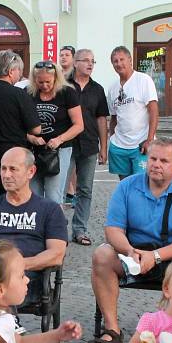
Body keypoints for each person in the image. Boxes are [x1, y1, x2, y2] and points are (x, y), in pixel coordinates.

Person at [89, 137, 172, 343]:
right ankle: (112, 330)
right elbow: (113, 230)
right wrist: (129, 251)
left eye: (164, 160)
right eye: (152, 158)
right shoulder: (127, 186)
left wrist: (155, 256)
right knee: (102, 254)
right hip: (134, 253)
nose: (156, 164)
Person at [0, 147, 67, 303]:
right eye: (3, 169)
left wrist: (16, 266)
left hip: (28, 277)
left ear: (31, 172)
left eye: (13, 169)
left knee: (1, 288)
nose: (6, 175)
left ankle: (3, 325)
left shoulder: (50, 209)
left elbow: (57, 254)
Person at [0, 50, 41, 199]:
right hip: (14, 154)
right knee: (13, 196)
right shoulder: (19, 95)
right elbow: (36, 128)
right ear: (11, 71)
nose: (20, 74)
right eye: (19, 70)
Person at [26, 60, 83, 204]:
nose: (44, 86)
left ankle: (54, 225)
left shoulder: (67, 92)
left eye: (48, 82)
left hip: (59, 149)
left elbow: (78, 125)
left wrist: (59, 139)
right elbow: (18, 124)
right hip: (34, 149)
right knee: (34, 194)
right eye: (40, 82)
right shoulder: (28, 92)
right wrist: (31, 138)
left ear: (56, 78)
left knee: (53, 195)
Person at [68, 48, 109, 245]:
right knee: (58, 191)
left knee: (85, 189)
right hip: (66, 145)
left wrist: (104, 147)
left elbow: (102, 119)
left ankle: (80, 230)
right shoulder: (63, 85)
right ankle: (56, 231)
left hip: (90, 144)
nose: (90, 64)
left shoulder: (97, 89)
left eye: (93, 61)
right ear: (75, 63)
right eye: (85, 60)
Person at [107, 46, 159, 180]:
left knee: (143, 184)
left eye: (121, 59)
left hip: (140, 145)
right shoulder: (112, 88)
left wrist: (149, 139)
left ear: (130, 60)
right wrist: (112, 139)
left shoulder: (143, 80)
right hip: (119, 146)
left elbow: (153, 111)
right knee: (125, 185)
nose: (119, 63)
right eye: (115, 61)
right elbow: (114, 117)